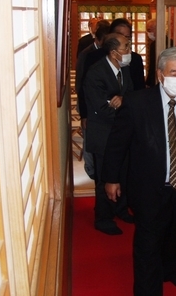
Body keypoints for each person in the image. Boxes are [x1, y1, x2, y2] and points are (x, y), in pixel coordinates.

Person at [101, 47, 176, 295]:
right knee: (147, 244)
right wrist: (111, 179)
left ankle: (170, 270)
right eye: (174, 72)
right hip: (149, 187)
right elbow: (117, 144)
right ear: (161, 75)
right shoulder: (136, 103)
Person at [83, 33, 134, 235]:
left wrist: (122, 99)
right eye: (126, 48)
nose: (129, 51)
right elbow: (101, 108)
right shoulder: (95, 73)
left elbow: (131, 95)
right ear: (114, 53)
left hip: (120, 134)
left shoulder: (124, 69)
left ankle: (121, 209)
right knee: (105, 177)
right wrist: (124, 110)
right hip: (103, 134)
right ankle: (103, 218)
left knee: (122, 172)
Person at [75, 20, 111, 180]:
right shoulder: (87, 54)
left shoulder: (110, 53)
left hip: (106, 107)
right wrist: (84, 114)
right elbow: (80, 85)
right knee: (90, 140)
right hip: (89, 106)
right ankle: (92, 171)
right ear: (98, 39)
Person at [110, 18, 146, 90]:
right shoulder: (97, 58)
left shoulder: (135, 59)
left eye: (127, 37)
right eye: (121, 36)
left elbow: (140, 88)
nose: (124, 39)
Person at [145, 18, 157, 87]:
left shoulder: (155, 45)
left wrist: (148, 82)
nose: (148, 33)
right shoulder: (153, 43)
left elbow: (153, 65)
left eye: (149, 30)